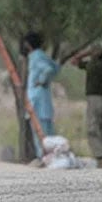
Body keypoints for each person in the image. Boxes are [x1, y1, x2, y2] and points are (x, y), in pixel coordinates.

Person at [72, 44, 102, 168]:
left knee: (93, 128)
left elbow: (75, 61)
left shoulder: (90, 65)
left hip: (94, 100)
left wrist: (84, 53)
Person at [23, 31, 60, 159]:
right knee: (48, 129)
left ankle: (43, 157)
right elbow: (55, 67)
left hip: (37, 99)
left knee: (39, 130)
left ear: (28, 44)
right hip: (44, 98)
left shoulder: (35, 56)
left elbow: (48, 69)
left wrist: (42, 80)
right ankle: (51, 156)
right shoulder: (43, 55)